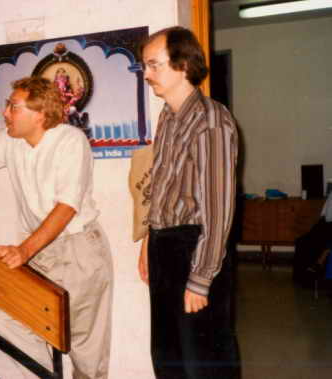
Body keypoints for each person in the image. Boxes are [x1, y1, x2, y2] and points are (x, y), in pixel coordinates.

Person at [0, 76, 113, 378]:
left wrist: (24, 250)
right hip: (41, 252)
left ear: (40, 114)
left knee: (87, 352)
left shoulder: (70, 140)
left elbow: (66, 207)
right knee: (6, 323)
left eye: (13, 107)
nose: (5, 113)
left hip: (79, 250)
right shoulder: (10, 141)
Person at [137, 27, 240, 378]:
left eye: (153, 65)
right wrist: (149, 241)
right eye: (144, 65)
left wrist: (201, 278)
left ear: (182, 65)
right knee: (168, 355)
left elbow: (218, 208)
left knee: (204, 359)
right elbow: (160, 187)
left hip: (195, 250)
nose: (146, 74)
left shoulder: (211, 121)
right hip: (164, 248)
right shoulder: (167, 117)